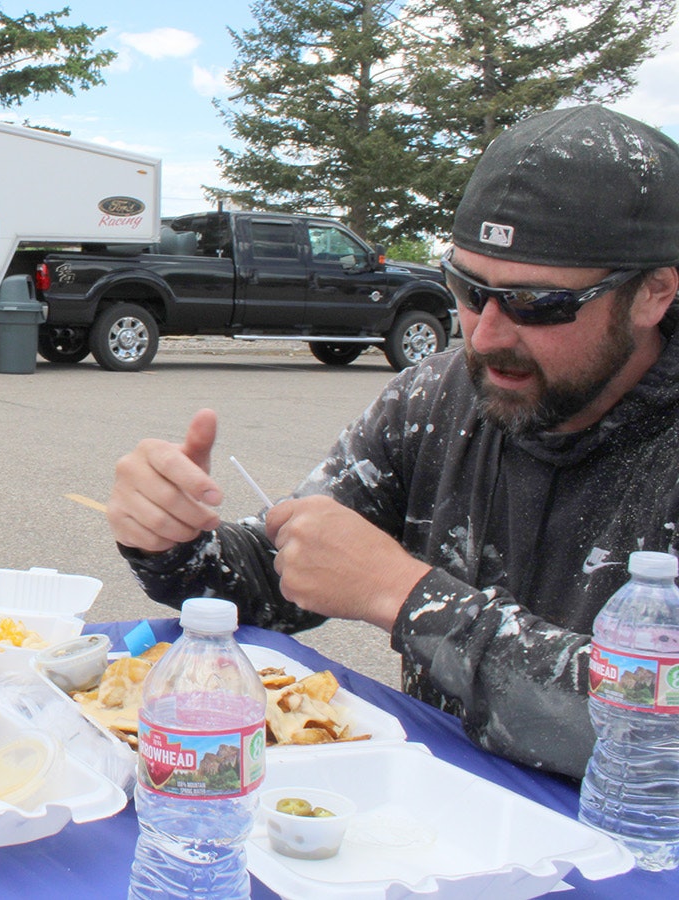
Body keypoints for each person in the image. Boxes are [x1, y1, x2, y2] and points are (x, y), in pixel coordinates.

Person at [107, 104, 679, 780]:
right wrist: (174, 535)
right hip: (432, 822)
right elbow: (267, 577)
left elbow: (649, 737)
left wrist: (411, 597)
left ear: (654, 294)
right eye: (467, 288)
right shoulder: (438, 397)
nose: (487, 335)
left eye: (537, 304)